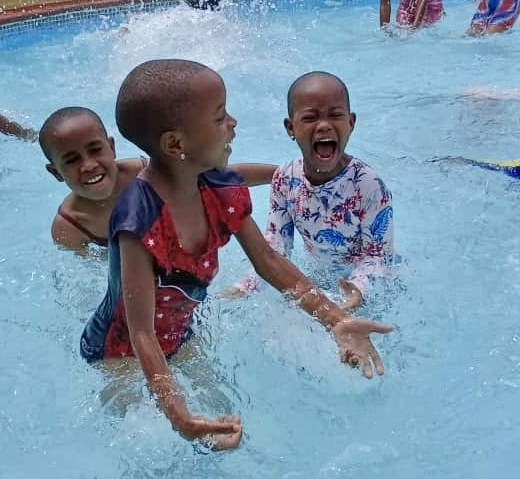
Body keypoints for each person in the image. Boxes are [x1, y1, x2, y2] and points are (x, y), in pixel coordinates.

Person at [80, 59, 393, 450]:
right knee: (144, 444)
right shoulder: (139, 221)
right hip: (119, 349)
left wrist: (335, 320)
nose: (233, 123)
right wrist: (177, 415)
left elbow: (270, 262)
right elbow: (141, 331)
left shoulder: (220, 188)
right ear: (176, 144)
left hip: (180, 332)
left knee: (224, 418)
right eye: (219, 116)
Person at [231, 72, 394, 311]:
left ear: (351, 123)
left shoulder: (368, 185)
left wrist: (357, 291)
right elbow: (277, 245)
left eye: (335, 115)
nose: (324, 125)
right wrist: (247, 286)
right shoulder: (285, 179)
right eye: (310, 118)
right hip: (324, 278)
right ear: (291, 128)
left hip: (373, 285)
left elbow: (377, 257)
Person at [40, 106, 277, 255]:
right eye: (71, 160)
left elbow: (217, 178)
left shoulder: (142, 172)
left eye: (95, 150)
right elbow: (96, 279)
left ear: (111, 148)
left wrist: (280, 173)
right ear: (56, 173)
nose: (89, 165)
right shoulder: (69, 227)